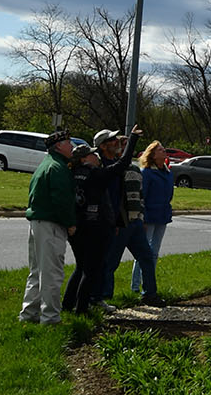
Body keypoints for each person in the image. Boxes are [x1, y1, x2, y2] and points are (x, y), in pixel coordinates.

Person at [92, 127, 160, 304]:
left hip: (134, 222)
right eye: (113, 141)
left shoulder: (129, 169)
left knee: (146, 257)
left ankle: (150, 294)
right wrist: (133, 139)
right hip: (119, 222)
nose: (117, 144)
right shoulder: (105, 167)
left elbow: (139, 194)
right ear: (103, 146)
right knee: (111, 262)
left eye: (119, 142)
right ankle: (104, 297)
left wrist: (141, 215)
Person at [19, 128, 76, 325]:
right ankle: (50, 317)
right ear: (59, 146)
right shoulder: (58, 169)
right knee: (52, 273)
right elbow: (62, 201)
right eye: (69, 143)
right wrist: (70, 223)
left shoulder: (46, 165)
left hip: (37, 223)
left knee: (36, 271)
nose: (72, 147)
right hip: (51, 224)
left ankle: (29, 313)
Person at [63, 145, 113, 313]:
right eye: (93, 154)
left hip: (77, 226)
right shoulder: (93, 174)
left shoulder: (73, 174)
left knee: (80, 268)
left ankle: (68, 304)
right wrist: (133, 140)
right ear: (84, 159)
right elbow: (119, 167)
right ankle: (82, 309)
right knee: (90, 271)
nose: (96, 155)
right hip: (93, 227)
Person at [134, 140, 174, 297]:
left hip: (162, 216)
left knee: (155, 252)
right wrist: (142, 217)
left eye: (164, 149)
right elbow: (142, 195)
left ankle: (148, 282)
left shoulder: (168, 172)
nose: (164, 152)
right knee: (143, 252)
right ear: (152, 154)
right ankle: (135, 285)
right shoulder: (147, 173)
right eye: (160, 150)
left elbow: (169, 194)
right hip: (149, 216)